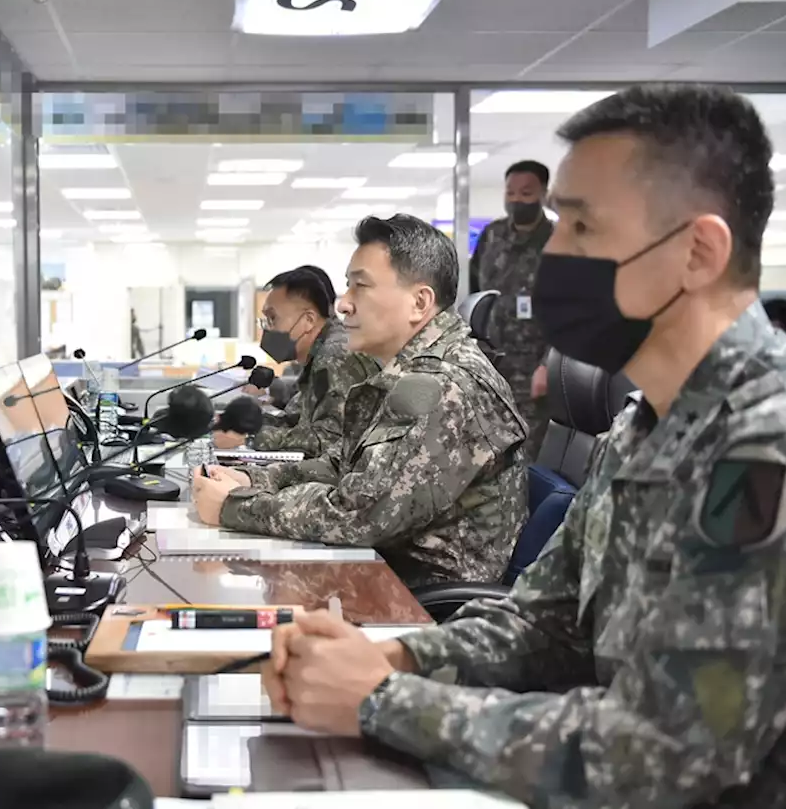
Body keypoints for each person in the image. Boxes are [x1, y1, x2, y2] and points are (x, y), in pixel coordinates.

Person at [257, 86, 786, 807]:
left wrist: (383, 699)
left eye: (582, 228)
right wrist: (396, 654)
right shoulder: (644, 423)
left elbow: (667, 750)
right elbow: (545, 620)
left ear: (699, 251)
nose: (550, 256)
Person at [192, 215, 528, 587]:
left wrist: (234, 506)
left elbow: (361, 513)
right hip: (380, 569)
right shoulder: (407, 373)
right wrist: (255, 478)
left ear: (420, 302)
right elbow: (348, 469)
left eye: (360, 287)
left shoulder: (445, 384)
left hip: (421, 602)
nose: (343, 305)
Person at [213, 265, 378, 459]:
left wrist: (248, 437)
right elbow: (297, 422)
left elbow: (329, 441)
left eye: (273, 319)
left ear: (308, 320)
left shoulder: (335, 355)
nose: (267, 329)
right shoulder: (321, 352)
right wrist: (239, 423)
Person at [470, 160, 555, 452]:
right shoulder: (492, 236)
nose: (517, 200)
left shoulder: (559, 242)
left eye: (526, 193)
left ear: (544, 193)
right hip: (490, 364)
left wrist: (548, 365)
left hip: (534, 371)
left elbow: (572, 311)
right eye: (511, 193)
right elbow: (474, 296)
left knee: (527, 455)